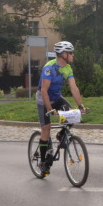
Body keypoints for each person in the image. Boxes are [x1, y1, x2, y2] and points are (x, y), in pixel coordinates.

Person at [36, 41, 86, 175]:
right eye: (71, 53)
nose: (73, 55)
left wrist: (80, 105)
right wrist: (49, 110)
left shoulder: (68, 68)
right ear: (64, 54)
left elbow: (73, 88)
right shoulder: (49, 68)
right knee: (46, 128)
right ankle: (43, 162)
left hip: (57, 98)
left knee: (73, 114)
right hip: (43, 99)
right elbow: (44, 91)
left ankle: (61, 135)